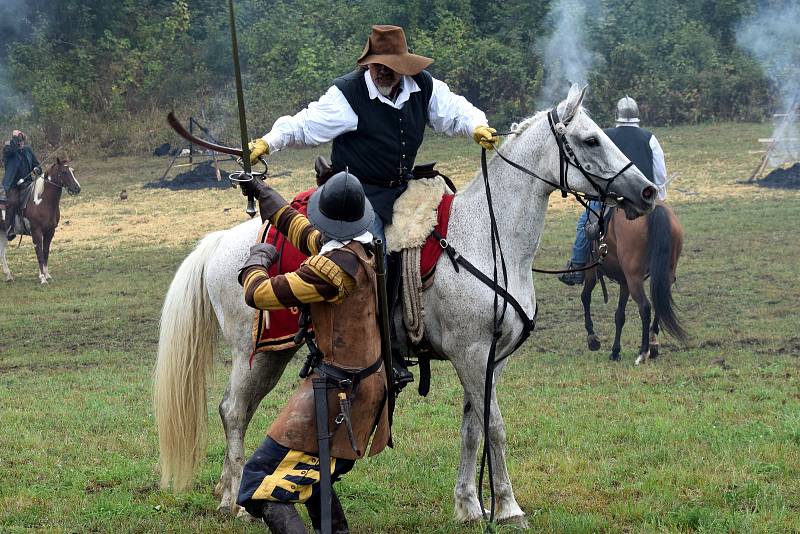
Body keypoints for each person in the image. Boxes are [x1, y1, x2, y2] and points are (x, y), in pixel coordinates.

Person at [247, 24, 497, 383]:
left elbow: (455, 110)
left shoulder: (423, 86)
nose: (381, 70)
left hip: (403, 189)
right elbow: (304, 125)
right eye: (376, 64)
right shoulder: (348, 94)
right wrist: (269, 142)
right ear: (368, 64)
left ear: (403, 66)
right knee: (372, 257)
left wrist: (476, 126)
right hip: (357, 196)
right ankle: (382, 349)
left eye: (389, 65)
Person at [236, 171, 390, 534]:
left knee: (260, 485)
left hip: (340, 396)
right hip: (358, 386)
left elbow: (258, 294)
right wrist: (263, 192)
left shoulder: (332, 271)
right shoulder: (362, 246)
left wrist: (255, 261)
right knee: (312, 475)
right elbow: (303, 231)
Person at [558, 96, 668, 286]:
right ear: (637, 116)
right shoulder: (649, 137)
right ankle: (668, 269)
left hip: (610, 197)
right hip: (643, 197)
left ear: (616, 115)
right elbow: (660, 173)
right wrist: (660, 197)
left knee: (584, 223)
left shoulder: (604, 135)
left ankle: (576, 267)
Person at [2, 130, 41, 240]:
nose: (22, 143)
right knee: (13, 201)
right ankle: (9, 228)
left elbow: (37, 165)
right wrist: (14, 137)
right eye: (19, 141)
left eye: (22, 141)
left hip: (28, 183)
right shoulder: (8, 149)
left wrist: (37, 169)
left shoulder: (28, 150)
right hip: (13, 185)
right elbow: (10, 151)